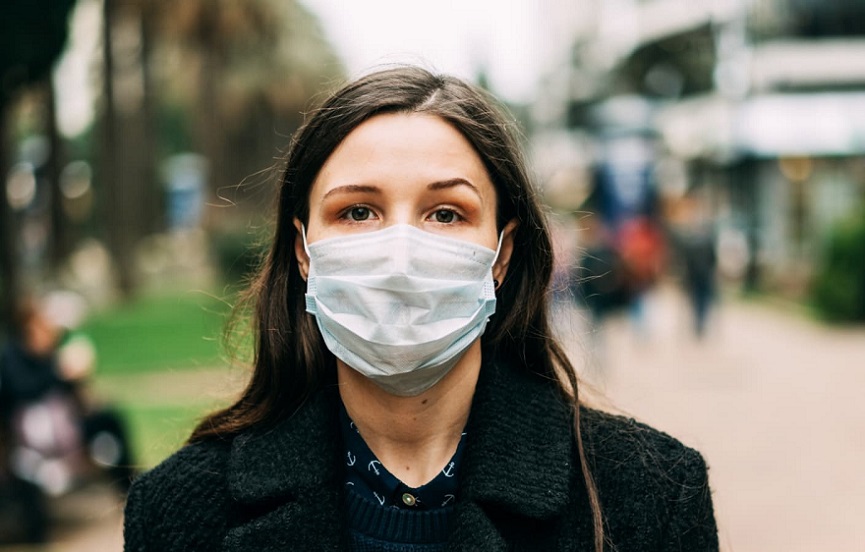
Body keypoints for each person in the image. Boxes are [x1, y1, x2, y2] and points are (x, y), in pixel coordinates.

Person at [123, 66, 718, 551]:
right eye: (357, 211)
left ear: (502, 255)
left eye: (446, 214)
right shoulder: (179, 514)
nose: (401, 255)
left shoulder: (650, 496)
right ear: (304, 252)